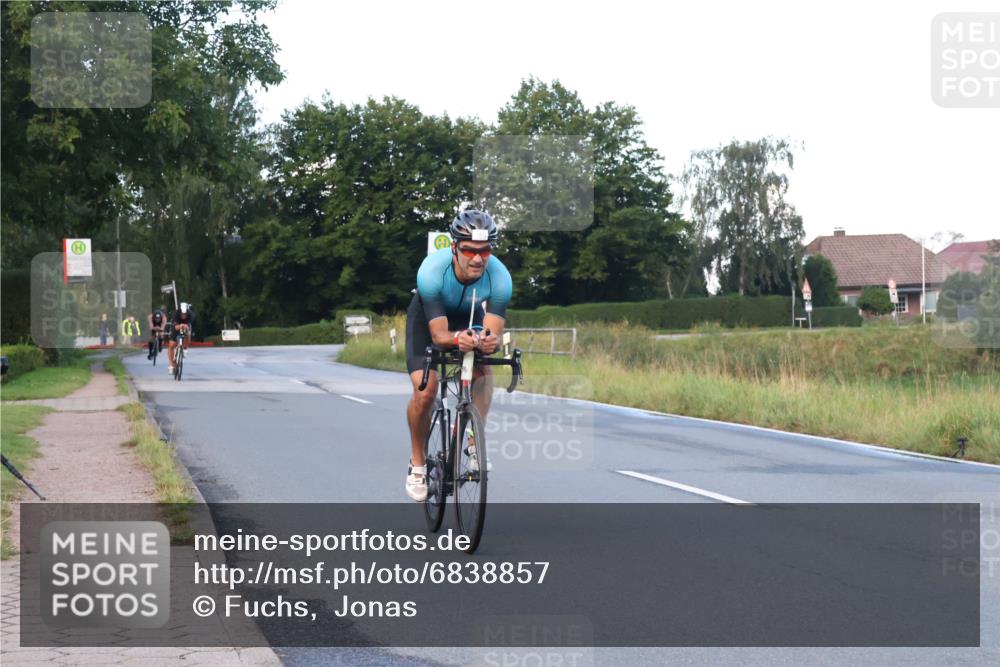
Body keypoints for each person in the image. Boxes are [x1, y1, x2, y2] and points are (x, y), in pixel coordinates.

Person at [404, 210, 512, 501]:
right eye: (469, 250)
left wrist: (488, 343)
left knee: (483, 368)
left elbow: (493, 333)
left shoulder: (500, 278)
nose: (478, 258)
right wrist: (456, 339)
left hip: (470, 314)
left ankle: (474, 442)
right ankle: (418, 465)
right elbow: (439, 336)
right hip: (429, 320)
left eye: (485, 251)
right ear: (454, 247)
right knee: (426, 392)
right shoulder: (431, 272)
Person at [167, 302, 195, 375]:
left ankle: (185, 348)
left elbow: (188, 326)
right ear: (179, 312)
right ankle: (171, 365)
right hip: (176, 327)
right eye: (182, 314)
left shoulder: (190, 315)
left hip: (185, 327)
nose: (183, 316)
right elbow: (175, 327)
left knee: (188, 333)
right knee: (171, 345)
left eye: (185, 314)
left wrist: (186, 327)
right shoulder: (175, 314)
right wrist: (180, 326)